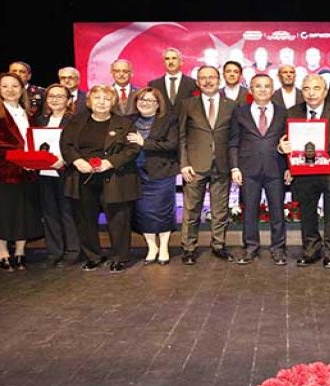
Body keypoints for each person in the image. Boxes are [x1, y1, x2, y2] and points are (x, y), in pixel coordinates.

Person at [61, 85, 140, 271]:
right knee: (85, 219)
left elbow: (133, 148)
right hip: (82, 176)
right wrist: (77, 161)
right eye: (97, 98)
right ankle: (93, 256)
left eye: (106, 99)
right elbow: (66, 144)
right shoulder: (75, 122)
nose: (102, 102)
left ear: (113, 102)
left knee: (119, 220)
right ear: (89, 102)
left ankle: (120, 257)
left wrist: (110, 162)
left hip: (115, 178)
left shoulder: (125, 123)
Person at [281, 74, 330, 267]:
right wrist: (283, 149)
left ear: (325, 91)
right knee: (307, 212)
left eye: (316, 88)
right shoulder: (292, 112)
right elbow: (285, 142)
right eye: (307, 89)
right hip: (303, 172)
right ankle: (311, 250)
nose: (311, 93)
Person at [0, 72, 42, 271]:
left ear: (22, 89)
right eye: (5, 86)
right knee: (0, 213)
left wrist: (35, 161)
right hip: (0, 171)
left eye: (15, 86)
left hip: (26, 171)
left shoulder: (28, 112)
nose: (10, 90)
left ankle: (20, 252)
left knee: (23, 213)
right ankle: (3, 253)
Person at [178, 65, 237, 263]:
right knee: (191, 210)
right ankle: (188, 248)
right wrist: (184, 163)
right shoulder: (187, 104)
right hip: (194, 166)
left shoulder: (232, 105)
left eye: (212, 77)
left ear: (219, 80)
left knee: (220, 210)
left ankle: (218, 245)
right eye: (203, 78)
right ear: (197, 82)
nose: (208, 81)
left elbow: (234, 138)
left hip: (222, 164)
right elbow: (181, 136)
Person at [230, 74, 289, 265]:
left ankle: (278, 249)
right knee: (249, 212)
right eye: (258, 86)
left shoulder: (283, 112)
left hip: (276, 168)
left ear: (273, 89)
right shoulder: (240, 112)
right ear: (250, 90)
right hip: (248, 169)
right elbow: (233, 142)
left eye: (266, 86)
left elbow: (289, 141)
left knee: (277, 211)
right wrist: (235, 167)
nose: (263, 90)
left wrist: (289, 167)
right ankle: (250, 248)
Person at [127, 87, 179, 265]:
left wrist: (144, 142)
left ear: (158, 104)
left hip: (161, 173)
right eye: (141, 99)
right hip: (136, 173)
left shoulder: (168, 120)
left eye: (150, 100)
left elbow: (172, 145)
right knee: (143, 212)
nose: (145, 103)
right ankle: (151, 247)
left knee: (162, 212)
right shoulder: (128, 121)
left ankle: (164, 247)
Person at [32, 84, 81, 267]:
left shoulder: (75, 121)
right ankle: (54, 252)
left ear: (68, 101)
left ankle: (72, 251)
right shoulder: (40, 120)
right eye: (51, 96)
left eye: (60, 96)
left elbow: (79, 146)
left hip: (67, 172)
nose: (55, 99)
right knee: (49, 213)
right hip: (44, 173)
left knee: (68, 212)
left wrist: (65, 160)